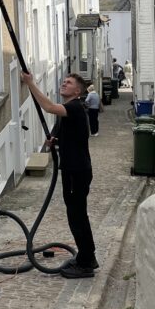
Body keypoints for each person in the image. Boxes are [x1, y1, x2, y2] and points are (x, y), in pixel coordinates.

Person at [21, 70, 98, 278]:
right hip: (72, 170)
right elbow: (66, 131)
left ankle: (86, 260)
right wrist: (55, 140)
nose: (64, 84)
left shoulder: (74, 107)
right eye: (63, 81)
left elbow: (47, 107)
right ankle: (86, 256)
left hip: (77, 171)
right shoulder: (70, 110)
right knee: (75, 215)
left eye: (69, 82)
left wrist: (30, 83)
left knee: (77, 216)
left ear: (78, 90)